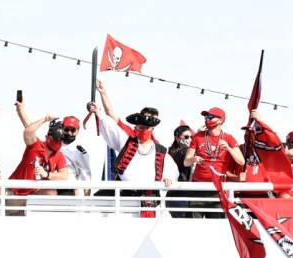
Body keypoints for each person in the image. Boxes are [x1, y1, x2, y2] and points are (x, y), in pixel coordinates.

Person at [89, 80, 178, 217]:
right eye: (141, 126)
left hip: (150, 202)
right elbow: (110, 119)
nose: (143, 129)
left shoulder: (159, 148)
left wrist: (168, 177)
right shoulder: (126, 140)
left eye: (147, 127)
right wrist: (99, 109)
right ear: (136, 127)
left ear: (152, 127)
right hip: (126, 200)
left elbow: (171, 170)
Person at [183, 107, 244, 218]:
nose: (207, 119)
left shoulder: (229, 138)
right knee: (193, 225)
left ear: (220, 120)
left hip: (218, 188)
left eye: (210, 117)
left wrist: (229, 149)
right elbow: (186, 162)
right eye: (206, 117)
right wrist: (193, 159)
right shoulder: (198, 137)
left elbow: (241, 161)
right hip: (199, 187)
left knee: (216, 225)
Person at [6, 108, 69, 216]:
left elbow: (64, 175)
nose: (57, 142)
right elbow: (28, 131)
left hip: (34, 193)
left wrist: (47, 174)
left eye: (60, 140)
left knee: (51, 192)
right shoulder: (35, 146)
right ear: (48, 137)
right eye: (55, 139)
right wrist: (44, 119)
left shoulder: (59, 155)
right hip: (16, 191)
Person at [57, 116, 92, 197]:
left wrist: (87, 203)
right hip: (50, 188)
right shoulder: (53, 144)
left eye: (73, 130)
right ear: (62, 128)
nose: (69, 133)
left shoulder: (79, 152)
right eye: (66, 129)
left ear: (78, 130)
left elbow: (86, 178)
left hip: (68, 190)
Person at [165, 125, 194, 219]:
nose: (189, 139)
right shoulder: (182, 152)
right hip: (180, 195)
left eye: (191, 137)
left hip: (178, 196)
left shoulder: (173, 152)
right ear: (177, 137)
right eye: (186, 137)